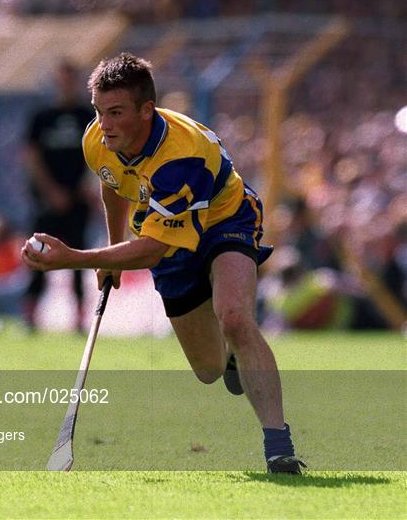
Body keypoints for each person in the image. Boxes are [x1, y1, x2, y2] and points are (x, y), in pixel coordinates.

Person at [21, 53, 305, 473]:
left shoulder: (182, 155)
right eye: (100, 112)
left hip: (225, 221)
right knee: (208, 370)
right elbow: (114, 185)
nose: (105, 124)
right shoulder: (97, 139)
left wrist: (75, 259)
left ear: (145, 110)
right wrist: (113, 251)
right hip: (165, 231)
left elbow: (153, 249)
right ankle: (229, 356)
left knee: (235, 318)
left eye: (116, 113)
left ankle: (278, 447)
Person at [23, 60, 95, 332]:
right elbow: (32, 158)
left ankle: (79, 316)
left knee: (80, 256)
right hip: (46, 201)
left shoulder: (87, 116)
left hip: (77, 201)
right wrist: (51, 191)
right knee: (37, 254)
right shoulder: (41, 117)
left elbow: (98, 158)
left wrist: (82, 189)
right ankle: (30, 312)